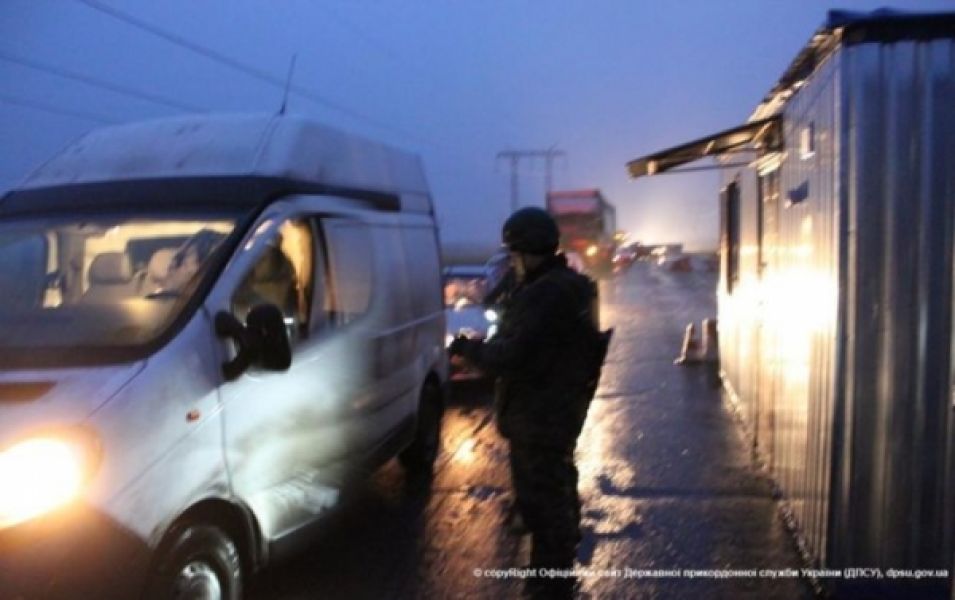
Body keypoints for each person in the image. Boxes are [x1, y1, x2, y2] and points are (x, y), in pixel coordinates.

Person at [449, 207, 609, 599]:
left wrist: (469, 350)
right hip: (556, 412)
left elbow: (513, 355)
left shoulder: (545, 294)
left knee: (544, 504)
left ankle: (550, 584)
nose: (513, 263)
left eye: (515, 254)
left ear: (528, 251)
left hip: (541, 416)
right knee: (554, 494)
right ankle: (552, 574)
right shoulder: (567, 286)